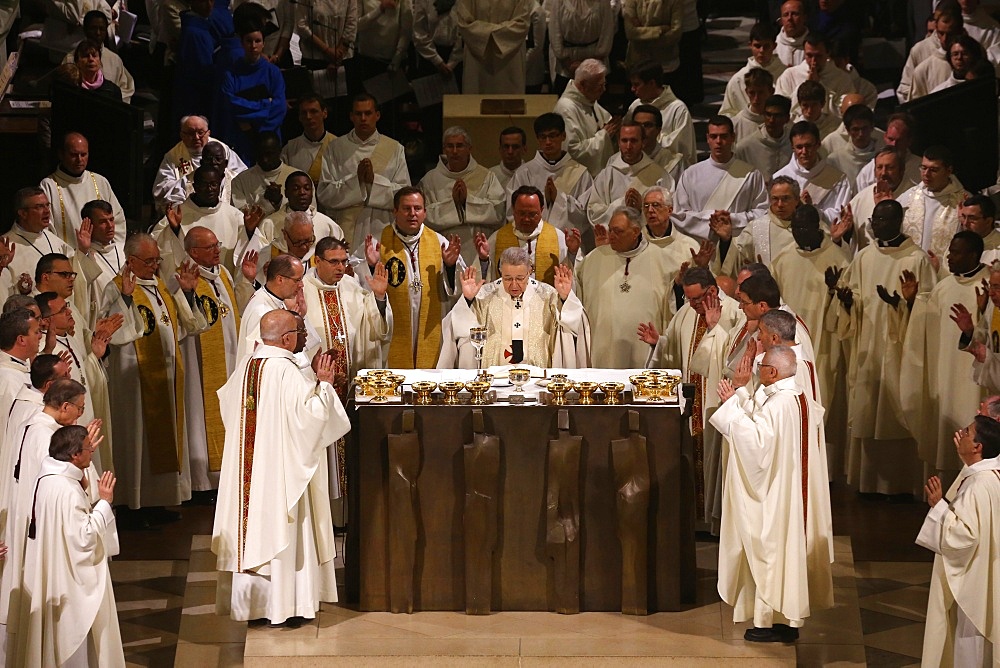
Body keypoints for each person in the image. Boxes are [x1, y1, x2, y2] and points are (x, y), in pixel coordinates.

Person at [213, 309, 351, 625]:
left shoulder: (246, 368)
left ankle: (255, 607)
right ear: (287, 339)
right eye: (299, 332)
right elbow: (312, 420)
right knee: (285, 526)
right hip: (279, 475)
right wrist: (325, 385)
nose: (302, 337)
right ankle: (287, 606)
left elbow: (229, 410)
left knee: (250, 528)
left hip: (250, 474)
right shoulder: (286, 373)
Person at [710, 345, 833, 643]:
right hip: (786, 491)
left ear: (773, 372)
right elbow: (761, 424)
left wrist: (729, 405)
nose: (756, 370)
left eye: (760, 366)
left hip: (774, 496)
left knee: (769, 552)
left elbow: (756, 446)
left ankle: (767, 622)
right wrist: (740, 394)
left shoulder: (780, 403)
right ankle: (785, 619)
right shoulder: (797, 396)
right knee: (784, 556)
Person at [827, 199, 936, 497]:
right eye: (875, 219)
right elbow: (854, 296)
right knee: (867, 407)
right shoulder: (863, 257)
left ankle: (901, 486)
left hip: (901, 351)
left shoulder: (917, 259)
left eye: (885, 220)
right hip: (868, 348)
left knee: (899, 408)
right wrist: (847, 300)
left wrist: (903, 304)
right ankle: (869, 483)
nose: (878, 225)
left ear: (899, 221)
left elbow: (930, 307)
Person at [103, 233, 207, 524]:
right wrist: (124, 297)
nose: (154, 265)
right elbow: (114, 331)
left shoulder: (159, 286)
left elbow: (184, 326)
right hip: (133, 379)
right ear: (131, 260)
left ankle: (157, 501)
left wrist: (186, 293)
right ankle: (132, 506)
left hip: (165, 376)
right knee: (136, 440)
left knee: (162, 441)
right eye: (149, 261)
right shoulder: (116, 288)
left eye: (157, 259)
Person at [0, 379, 99, 653]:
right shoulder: (49, 437)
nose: (81, 413)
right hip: (45, 523)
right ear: (64, 405)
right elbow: (62, 482)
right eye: (79, 408)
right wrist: (84, 454)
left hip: (27, 515)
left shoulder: (31, 423)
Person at [11, 424, 122, 667]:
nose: (92, 452)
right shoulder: (67, 490)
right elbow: (84, 538)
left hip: (56, 569)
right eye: (88, 448)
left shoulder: (49, 478)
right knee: (75, 639)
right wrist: (104, 503)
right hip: (70, 581)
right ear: (74, 455)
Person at [642, 267, 742, 532]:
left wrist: (714, 329)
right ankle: (694, 520)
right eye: (688, 299)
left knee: (714, 458)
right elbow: (673, 349)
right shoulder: (686, 312)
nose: (693, 305)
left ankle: (715, 522)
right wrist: (658, 343)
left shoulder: (734, 312)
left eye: (697, 299)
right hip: (691, 404)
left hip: (716, 402)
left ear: (711, 291)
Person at [303, 237, 391, 507]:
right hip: (316, 386)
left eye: (344, 261)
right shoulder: (302, 289)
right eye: (334, 262)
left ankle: (346, 511)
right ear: (317, 261)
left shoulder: (351, 287)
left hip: (348, 383)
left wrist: (378, 297)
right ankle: (325, 512)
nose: (341, 267)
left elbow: (375, 329)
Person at [904, 231, 989, 486]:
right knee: (946, 436)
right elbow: (926, 328)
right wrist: (911, 304)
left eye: (956, 252)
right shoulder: (944, 286)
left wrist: (982, 314)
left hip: (977, 380)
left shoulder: (989, 284)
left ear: (974, 255)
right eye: (950, 251)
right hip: (945, 375)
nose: (949, 257)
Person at [773, 204, 850, 474]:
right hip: (789, 348)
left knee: (823, 399)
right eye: (794, 228)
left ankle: (823, 472)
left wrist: (834, 293)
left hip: (825, 345)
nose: (798, 234)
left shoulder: (839, 259)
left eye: (803, 228)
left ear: (818, 227)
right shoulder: (783, 258)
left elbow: (848, 308)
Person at [917, 414, 1000, 667]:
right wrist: (966, 460)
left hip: (973, 583)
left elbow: (964, 537)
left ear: (978, 447)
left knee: (970, 647)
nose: (960, 434)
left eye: (967, 432)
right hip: (985, 574)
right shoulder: (990, 475)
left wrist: (938, 507)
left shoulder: (978, 485)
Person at [575, 206, 692, 368]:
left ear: (636, 231)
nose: (612, 236)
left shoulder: (662, 260)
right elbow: (576, 294)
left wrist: (678, 286)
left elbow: (675, 305)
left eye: (618, 231)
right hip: (603, 348)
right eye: (611, 230)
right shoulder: (594, 258)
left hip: (643, 348)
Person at [361, 187, 463, 368]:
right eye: (406, 208)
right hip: (395, 330)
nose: (412, 214)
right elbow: (363, 289)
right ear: (395, 211)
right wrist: (371, 266)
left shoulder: (439, 242)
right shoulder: (378, 244)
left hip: (429, 328)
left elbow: (456, 290)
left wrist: (449, 266)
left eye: (417, 208)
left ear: (425, 212)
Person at [446, 247, 588, 367]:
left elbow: (574, 324)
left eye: (520, 278)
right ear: (500, 271)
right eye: (507, 278)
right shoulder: (484, 295)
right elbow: (459, 326)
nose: (514, 285)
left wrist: (565, 298)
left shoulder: (548, 295)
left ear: (529, 271)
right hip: (494, 379)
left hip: (537, 375)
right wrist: (468, 300)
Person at [182, 226, 243, 502]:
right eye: (211, 247)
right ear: (194, 252)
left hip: (230, 358)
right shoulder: (184, 278)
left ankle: (226, 477)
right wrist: (188, 294)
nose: (218, 250)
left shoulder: (224, 274)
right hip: (200, 366)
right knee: (201, 414)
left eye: (217, 244)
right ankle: (203, 482)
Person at [317, 93, 410, 250]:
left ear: (377, 115)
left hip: (381, 225)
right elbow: (325, 194)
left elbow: (403, 194)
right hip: (346, 226)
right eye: (358, 114)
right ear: (351, 116)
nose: (363, 118)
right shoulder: (336, 148)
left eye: (368, 113)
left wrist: (374, 182)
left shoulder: (394, 148)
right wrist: (357, 181)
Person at [152, 165, 261, 280]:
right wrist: (174, 230)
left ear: (220, 184)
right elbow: (158, 249)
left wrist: (249, 232)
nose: (210, 189)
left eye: (214, 184)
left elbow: (255, 251)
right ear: (195, 186)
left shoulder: (235, 216)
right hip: (188, 285)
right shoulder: (176, 214)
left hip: (224, 285)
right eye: (204, 185)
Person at [417, 126, 506, 267]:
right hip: (443, 250)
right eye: (449, 146)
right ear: (444, 149)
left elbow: (499, 212)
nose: (454, 151)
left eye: (459, 146)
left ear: (469, 148)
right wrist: (454, 204)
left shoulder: (486, 176)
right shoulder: (430, 180)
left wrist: (466, 202)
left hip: (478, 250)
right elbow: (422, 217)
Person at [671, 115, 768, 241]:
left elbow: (762, 213)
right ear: (707, 139)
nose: (718, 141)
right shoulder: (690, 174)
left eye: (723, 136)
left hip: (739, 245)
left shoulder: (751, 174)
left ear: (733, 137)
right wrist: (715, 219)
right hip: (700, 247)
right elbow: (680, 215)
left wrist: (731, 220)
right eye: (713, 136)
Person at [506, 113, 593, 237]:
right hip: (530, 242)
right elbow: (512, 212)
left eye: (552, 136)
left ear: (563, 136)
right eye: (543, 137)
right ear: (537, 139)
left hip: (568, 242)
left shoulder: (580, 173)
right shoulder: (524, 172)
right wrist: (545, 200)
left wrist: (559, 198)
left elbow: (585, 217)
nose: (548, 142)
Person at [475, 186, 581, 284]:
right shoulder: (497, 238)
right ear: (513, 210)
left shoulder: (558, 237)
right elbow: (485, 280)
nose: (526, 219)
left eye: (532, 214)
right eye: (521, 213)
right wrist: (484, 259)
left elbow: (573, 276)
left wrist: (572, 253)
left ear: (542, 210)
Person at [40, 132, 127, 249]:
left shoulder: (100, 181)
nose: (79, 160)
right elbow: (45, 228)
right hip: (66, 258)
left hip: (100, 257)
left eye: (83, 154)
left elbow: (117, 220)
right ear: (61, 154)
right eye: (74, 155)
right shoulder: (49, 185)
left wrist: (110, 252)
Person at [221, 18, 287, 164]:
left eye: (257, 41)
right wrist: (265, 104)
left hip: (268, 139)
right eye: (249, 41)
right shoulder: (231, 73)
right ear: (242, 43)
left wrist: (252, 125)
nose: (253, 46)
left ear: (263, 43)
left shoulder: (273, 72)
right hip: (241, 139)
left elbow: (280, 108)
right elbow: (230, 105)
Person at [237, 254, 322, 364]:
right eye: (297, 280)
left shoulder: (276, 300)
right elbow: (264, 359)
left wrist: (301, 317)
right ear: (280, 279)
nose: (301, 285)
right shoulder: (262, 312)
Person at [153, 116, 247, 212]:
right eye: (190, 133)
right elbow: (161, 189)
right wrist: (187, 183)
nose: (196, 137)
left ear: (208, 133)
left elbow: (243, 176)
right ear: (182, 135)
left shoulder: (221, 149)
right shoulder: (173, 156)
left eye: (200, 133)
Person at [587, 123, 670, 229]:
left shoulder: (660, 175)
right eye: (624, 141)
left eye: (634, 141)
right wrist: (622, 205)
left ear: (643, 142)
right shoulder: (606, 176)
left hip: (649, 241)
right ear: (618, 142)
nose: (629, 146)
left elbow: (667, 212)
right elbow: (594, 214)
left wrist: (642, 208)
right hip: (616, 240)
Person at [773, 120, 852, 226]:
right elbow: (774, 215)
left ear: (818, 144)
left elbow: (842, 215)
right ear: (792, 147)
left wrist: (813, 211)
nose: (804, 152)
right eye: (799, 147)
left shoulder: (838, 179)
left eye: (808, 146)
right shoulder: (779, 177)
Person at [899, 145, 967, 267]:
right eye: (923, 168)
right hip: (910, 268)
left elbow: (973, 242)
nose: (926, 174)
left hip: (944, 274)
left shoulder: (963, 201)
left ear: (949, 170)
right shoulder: (909, 196)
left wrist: (966, 224)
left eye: (934, 170)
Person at [721, 175, 801, 275]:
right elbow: (733, 265)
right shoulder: (755, 228)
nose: (780, 204)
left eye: (786, 198)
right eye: (775, 199)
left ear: (797, 200)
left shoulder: (809, 226)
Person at [6, 188, 77, 298]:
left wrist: (84, 251)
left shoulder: (55, 241)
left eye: (47, 205)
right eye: (39, 207)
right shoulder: (6, 246)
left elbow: (77, 276)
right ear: (23, 213)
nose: (47, 211)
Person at [553, 59, 618, 177]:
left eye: (604, 84)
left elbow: (607, 121)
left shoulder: (588, 99)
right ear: (583, 85)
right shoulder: (566, 108)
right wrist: (603, 136)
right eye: (599, 86)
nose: (604, 89)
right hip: (577, 178)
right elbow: (572, 152)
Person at [625, 60, 696, 165]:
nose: (632, 89)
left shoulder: (678, 108)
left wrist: (647, 139)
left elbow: (680, 147)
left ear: (652, 83)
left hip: (666, 168)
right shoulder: (635, 105)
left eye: (636, 84)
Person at [454, 0, 530, 94]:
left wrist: (486, 32)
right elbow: (464, 22)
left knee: (510, 103)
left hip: (509, 58)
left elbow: (522, 23)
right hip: (477, 56)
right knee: (476, 103)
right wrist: (495, 32)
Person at [59, 11, 135, 102]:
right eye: (93, 28)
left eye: (102, 29)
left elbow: (126, 90)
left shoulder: (115, 60)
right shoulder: (71, 58)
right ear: (85, 30)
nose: (98, 33)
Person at [774, 33, 855, 117]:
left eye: (818, 56)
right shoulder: (789, 75)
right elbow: (780, 108)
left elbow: (844, 112)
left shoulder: (841, 78)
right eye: (809, 55)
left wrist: (820, 87)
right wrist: (805, 87)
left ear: (828, 53)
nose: (814, 61)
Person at [898, 1, 963, 103]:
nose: (945, 39)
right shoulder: (920, 50)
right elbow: (905, 90)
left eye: (950, 34)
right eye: (941, 33)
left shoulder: (971, 50)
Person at [720, 22, 786, 118]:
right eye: (757, 46)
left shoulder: (785, 74)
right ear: (750, 45)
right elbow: (727, 113)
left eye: (766, 46)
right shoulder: (738, 79)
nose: (761, 51)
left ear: (774, 46)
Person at [547, 0, 614, 93]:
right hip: (567, 65)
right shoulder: (560, 2)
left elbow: (607, 33)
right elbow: (554, 32)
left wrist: (592, 65)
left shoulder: (602, 2)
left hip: (596, 61)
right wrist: (568, 63)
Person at [848, 148, 909, 249]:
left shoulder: (912, 197)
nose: (883, 173)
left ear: (901, 170)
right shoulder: (862, 197)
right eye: (879, 167)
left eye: (890, 168)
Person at [231, 131, 298, 215]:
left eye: (269, 154)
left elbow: (308, 214)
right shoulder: (240, 181)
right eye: (260, 154)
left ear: (279, 150)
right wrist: (267, 203)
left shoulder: (298, 178)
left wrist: (279, 201)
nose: (265, 159)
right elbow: (239, 217)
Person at [856, 113, 922, 192]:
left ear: (909, 141)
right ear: (885, 136)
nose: (893, 145)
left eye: (899, 140)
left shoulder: (920, 169)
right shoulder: (867, 172)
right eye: (890, 139)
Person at [734, 94, 792, 182]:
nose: (771, 120)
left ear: (787, 118)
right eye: (768, 115)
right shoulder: (744, 148)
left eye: (777, 116)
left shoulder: (793, 143)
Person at [963, 263, 1000, 393]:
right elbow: (987, 339)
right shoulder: (993, 308)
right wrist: (969, 331)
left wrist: (989, 358)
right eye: (991, 286)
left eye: (997, 287)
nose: (990, 293)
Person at [281, 96, 336, 183]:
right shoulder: (290, 149)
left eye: (313, 111)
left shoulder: (337, 145)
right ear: (299, 117)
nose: (308, 116)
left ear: (324, 113)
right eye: (304, 113)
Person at [621, 0, 682, 73]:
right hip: (638, 63)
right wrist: (660, 29)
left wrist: (642, 36)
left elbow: (675, 34)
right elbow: (630, 32)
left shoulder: (675, 1)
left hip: (666, 63)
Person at [632, 104, 686, 184]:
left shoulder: (672, 163)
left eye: (647, 125)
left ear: (658, 130)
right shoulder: (617, 161)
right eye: (637, 125)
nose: (642, 130)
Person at [728, 68, 775, 145]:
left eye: (761, 92)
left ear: (771, 91)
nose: (756, 98)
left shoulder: (781, 122)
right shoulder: (734, 125)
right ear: (746, 92)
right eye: (752, 93)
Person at [960, 194, 1000, 265]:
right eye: (963, 217)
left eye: (972, 218)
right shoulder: (958, 244)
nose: (965, 223)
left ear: (988, 221)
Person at [776, 0, 809, 67]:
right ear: (781, 20)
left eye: (795, 14)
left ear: (804, 17)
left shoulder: (813, 45)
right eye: (786, 15)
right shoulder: (773, 45)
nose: (790, 18)